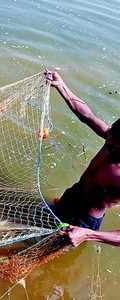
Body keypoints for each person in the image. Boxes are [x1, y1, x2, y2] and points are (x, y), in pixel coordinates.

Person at [46, 69, 120, 247]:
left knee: (43, 251)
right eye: (108, 138)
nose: (106, 142)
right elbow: (87, 116)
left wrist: (89, 234)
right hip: (71, 197)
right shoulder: (114, 138)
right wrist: (62, 86)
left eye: (112, 146)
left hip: (83, 221)